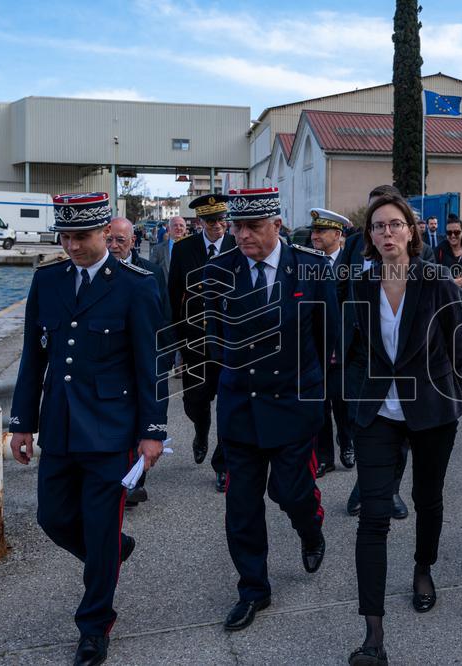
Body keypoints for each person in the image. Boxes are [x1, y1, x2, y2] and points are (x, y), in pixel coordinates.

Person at [8, 192, 167, 666]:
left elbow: (151, 364)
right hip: (59, 426)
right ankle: (114, 551)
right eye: (66, 237)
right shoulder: (48, 281)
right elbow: (33, 357)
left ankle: (94, 627)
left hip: (111, 431)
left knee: (98, 529)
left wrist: (153, 431)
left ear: (105, 233)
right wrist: (22, 423)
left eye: (81, 236)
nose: (72, 246)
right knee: (53, 518)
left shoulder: (136, 285)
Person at [203, 187, 339, 632]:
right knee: (241, 507)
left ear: (276, 225)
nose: (243, 235)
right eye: (238, 226)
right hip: (241, 406)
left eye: (253, 226)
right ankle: (253, 588)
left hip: (294, 405)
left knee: (291, 493)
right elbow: (213, 336)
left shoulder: (311, 268)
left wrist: (318, 396)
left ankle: (311, 529)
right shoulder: (219, 270)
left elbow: (328, 336)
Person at [348, 193, 462, 666]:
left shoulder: (436, 281)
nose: (387, 233)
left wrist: (451, 392)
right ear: (370, 236)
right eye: (378, 226)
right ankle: (373, 635)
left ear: (411, 231)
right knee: (373, 516)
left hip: (432, 411)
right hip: (377, 413)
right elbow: (349, 345)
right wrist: (354, 393)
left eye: (395, 224)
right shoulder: (359, 284)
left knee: (427, 498)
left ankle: (423, 567)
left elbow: (459, 343)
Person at [342, 184, 411, 522]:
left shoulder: (416, 254)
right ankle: (368, 483)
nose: (383, 227)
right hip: (360, 353)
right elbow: (339, 291)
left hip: (398, 358)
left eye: (390, 218)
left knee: (399, 433)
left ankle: (391, 489)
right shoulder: (353, 245)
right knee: (363, 423)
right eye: (375, 217)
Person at [168, 196, 236, 491]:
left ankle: (223, 465)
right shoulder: (184, 249)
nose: (217, 225)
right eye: (211, 220)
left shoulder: (237, 246)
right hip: (194, 342)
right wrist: (176, 342)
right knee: (195, 402)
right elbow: (174, 295)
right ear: (200, 222)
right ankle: (201, 430)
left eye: (221, 219)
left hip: (229, 342)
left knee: (229, 406)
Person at [106, 216, 173, 507]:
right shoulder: (100, 272)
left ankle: (135, 481)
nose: (113, 245)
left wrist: (167, 356)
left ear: (133, 241)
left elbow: (165, 317)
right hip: (115, 364)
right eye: (109, 239)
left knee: (143, 419)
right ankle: (123, 479)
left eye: (120, 240)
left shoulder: (151, 272)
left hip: (145, 359)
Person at [309, 207, 354, 476]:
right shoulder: (307, 263)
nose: (315, 235)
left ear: (337, 235)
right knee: (320, 404)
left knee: (342, 401)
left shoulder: (350, 265)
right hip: (314, 347)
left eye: (321, 231)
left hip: (341, 347)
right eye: (314, 231)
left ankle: (347, 442)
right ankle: (325, 457)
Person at [435, 215, 462, 311]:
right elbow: (431, 278)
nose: (452, 235)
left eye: (456, 232)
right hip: (443, 305)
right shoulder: (439, 251)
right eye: (449, 233)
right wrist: (451, 282)